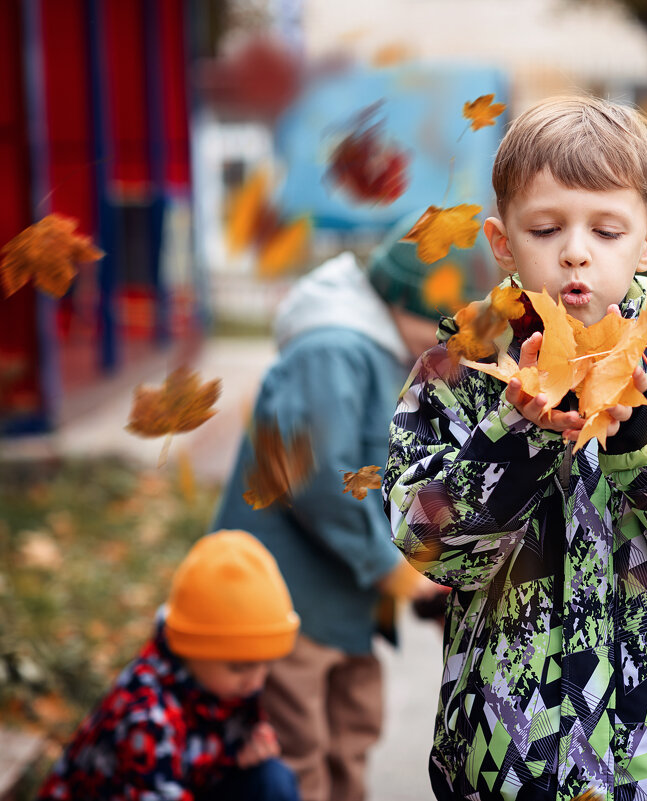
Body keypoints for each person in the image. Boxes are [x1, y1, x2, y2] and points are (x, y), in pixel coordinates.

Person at [382, 96, 647, 801]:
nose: (575, 250)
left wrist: (639, 435)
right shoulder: (459, 369)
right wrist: (513, 436)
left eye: (606, 229)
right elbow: (428, 542)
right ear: (502, 241)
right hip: (509, 758)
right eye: (545, 227)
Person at [211, 220, 461, 801]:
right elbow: (316, 476)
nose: (451, 348)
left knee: (353, 731)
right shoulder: (332, 349)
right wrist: (391, 569)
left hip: (344, 601)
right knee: (300, 747)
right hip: (287, 598)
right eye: (445, 330)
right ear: (405, 300)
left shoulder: (384, 353)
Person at [37, 529, 302, 801]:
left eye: (266, 665)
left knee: (272, 779)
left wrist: (242, 753)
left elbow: (217, 749)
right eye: (239, 668)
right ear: (193, 649)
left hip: (185, 786)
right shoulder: (147, 713)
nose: (256, 682)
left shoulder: (229, 687)